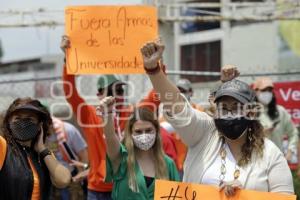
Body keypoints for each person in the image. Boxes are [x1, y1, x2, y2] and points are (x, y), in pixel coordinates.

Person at [140, 40, 294, 197]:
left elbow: (284, 196)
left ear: (251, 113)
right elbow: (178, 106)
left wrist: (242, 196)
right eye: (223, 108)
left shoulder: (270, 153)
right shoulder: (203, 134)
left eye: (236, 108)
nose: (228, 113)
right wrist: (154, 70)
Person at [60, 36, 177, 200]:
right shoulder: (90, 115)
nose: (116, 96)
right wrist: (67, 61)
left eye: (120, 91)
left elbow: (157, 94)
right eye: (110, 91)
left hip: (129, 185)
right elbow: (70, 94)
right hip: (99, 189)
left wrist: (157, 64)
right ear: (99, 94)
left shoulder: (134, 114)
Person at [97, 97, 180, 200]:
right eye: (138, 131)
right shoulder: (122, 160)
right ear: (130, 133)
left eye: (149, 130)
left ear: (157, 131)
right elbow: (110, 137)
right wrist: (108, 115)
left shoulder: (168, 164)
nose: (144, 135)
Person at [0, 98, 71, 200]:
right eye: (17, 119)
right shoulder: (3, 147)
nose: (23, 123)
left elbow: (63, 180)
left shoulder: (44, 154)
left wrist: (42, 149)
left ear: (39, 126)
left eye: (29, 119)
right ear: (8, 123)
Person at [253, 77, 299, 162]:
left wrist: (290, 151)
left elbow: (293, 133)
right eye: (264, 90)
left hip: (277, 160)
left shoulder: (280, 111)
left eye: (269, 91)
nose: (267, 93)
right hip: (255, 160)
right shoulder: (249, 112)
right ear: (256, 92)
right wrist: (260, 133)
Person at [48, 117, 89, 200]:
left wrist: (80, 174)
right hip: (49, 177)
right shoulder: (36, 133)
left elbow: (84, 154)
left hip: (71, 175)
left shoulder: (68, 130)